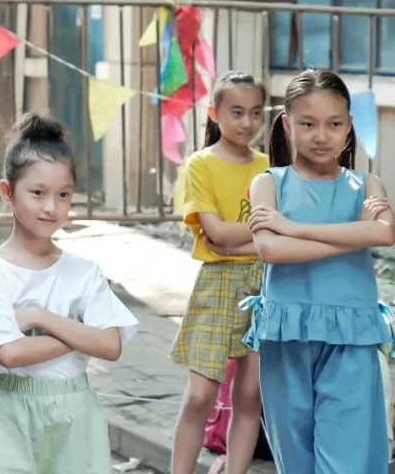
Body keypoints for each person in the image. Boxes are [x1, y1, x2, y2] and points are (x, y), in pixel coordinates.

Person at [0, 113, 139, 473]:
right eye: (38, 193)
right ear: (7, 192)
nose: (51, 207)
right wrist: (81, 335)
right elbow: (11, 353)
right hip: (10, 418)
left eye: (63, 195)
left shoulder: (84, 271)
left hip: (76, 415)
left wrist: (40, 317)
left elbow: (111, 346)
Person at [244, 68, 394, 473]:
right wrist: (354, 233)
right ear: (287, 125)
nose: (322, 135)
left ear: (350, 126)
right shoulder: (268, 183)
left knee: (346, 459)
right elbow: (271, 249)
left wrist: (293, 228)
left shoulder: (368, 185)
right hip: (287, 336)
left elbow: (384, 232)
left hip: (351, 334)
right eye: (308, 124)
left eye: (334, 124)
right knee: (295, 457)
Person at [169, 71, 268, 474]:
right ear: (215, 113)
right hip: (217, 284)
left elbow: (251, 236)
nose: (247, 122)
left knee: (249, 396)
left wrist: (236, 242)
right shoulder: (202, 163)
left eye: (256, 113)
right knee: (200, 395)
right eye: (237, 112)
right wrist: (259, 232)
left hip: (264, 285)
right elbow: (216, 233)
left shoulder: (268, 167)